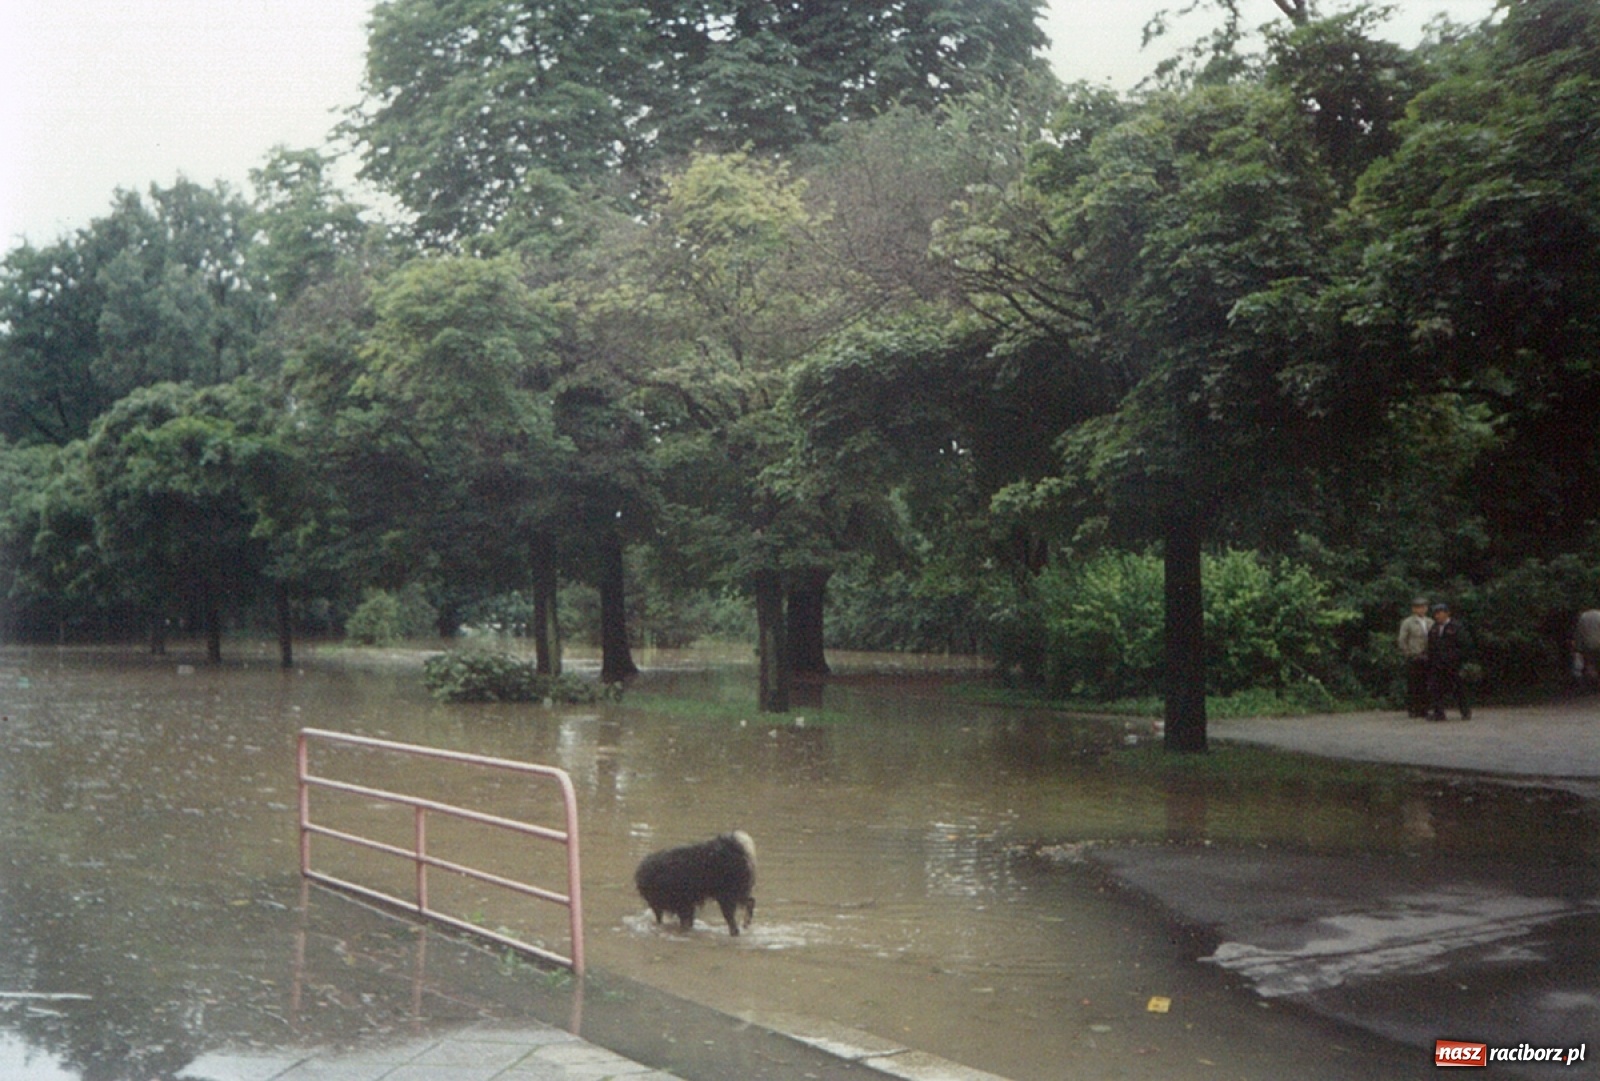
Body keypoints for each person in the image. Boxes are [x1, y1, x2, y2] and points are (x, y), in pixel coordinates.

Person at [1426, 601, 1470, 721]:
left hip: (1453, 664)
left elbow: (1464, 645)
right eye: (1436, 613)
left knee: (1458, 688)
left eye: (1440, 613)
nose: (1437, 616)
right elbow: (1430, 646)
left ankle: (1465, 712)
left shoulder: (1456, 627)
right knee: (1435, 689)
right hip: (1437, 664)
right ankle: (1439, 713)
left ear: (1447, 613)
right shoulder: (1434, 628)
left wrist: (1455, 659)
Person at [1397, 597, 1431, 717]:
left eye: (1424, 607)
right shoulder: (1408, 622)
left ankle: (1424, 709)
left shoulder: (1429, 622)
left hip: (1427, 656)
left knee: (1425, 683)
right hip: (1414, 656)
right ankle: (1413, 709)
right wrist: (1408, 653)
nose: (1422, 609)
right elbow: (1402, 640)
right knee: (1413, 684)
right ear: (1414, 609)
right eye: (1419, 607)